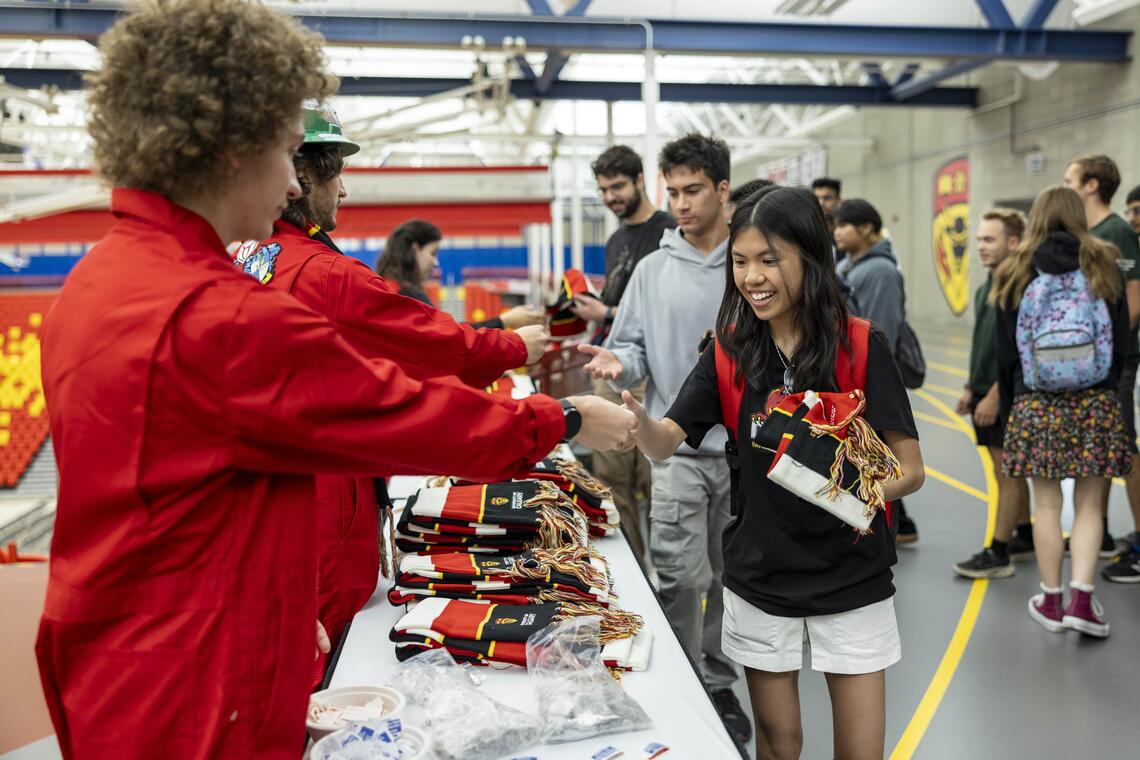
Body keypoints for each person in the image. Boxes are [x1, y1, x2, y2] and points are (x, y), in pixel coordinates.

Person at [34, 2, 637, 756]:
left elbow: (182, 496)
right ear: (229, 148)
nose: (294, 184)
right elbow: (411, 414)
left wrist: (282, 606)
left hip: (124, 657)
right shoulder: (218, 315)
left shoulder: (99, 282)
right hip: (199, 691)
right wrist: (566, 417)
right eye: (288, 152)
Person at [238, 101, 553, 676]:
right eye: (337, 174)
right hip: (322, 498)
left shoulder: (250, 258)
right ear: (301, 176)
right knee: (323, 654)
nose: (345, 192)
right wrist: (514, 348)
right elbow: (429, 345)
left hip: (266, 497)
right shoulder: (325, 273)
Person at [623, 185, 924, 760]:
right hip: (761, 577)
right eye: (740, 261)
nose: (752, 277)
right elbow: (664, 443)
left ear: (810, 260)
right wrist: (637, 420)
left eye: (769, 260)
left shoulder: (861, 346)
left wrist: (847, 493)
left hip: (852, 576)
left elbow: (910, 471)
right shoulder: (729, 352)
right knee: (779, 746)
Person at [577, 133, 751, 743]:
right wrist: (617, 362)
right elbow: (630, 343)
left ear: (723, 190)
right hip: (676, 451)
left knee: (734, 574)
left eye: (693, 190)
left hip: (746, 454)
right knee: (678, 573)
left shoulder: (748, 261)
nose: (680, 203)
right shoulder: (652, 269)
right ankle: (687, 677)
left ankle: (721, 680)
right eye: (673, 191)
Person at [993, 185, 1131, 638]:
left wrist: (1014, 408)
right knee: (1091, 506)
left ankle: (1051, 601)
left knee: (1048, 504)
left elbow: (1006, 353)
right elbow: (1121, 339)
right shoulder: (1103, 261)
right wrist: (1108, 393)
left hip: (1036, 403)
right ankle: (1083, 602)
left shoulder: (1015, 269)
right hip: (1094, 401)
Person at [563, 145, 675, 566]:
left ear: (640, 181)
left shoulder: (667, 234)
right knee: (611, 479)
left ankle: (665, 573)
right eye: (604, 189)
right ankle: (634, 570)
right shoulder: (615, 240)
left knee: (654, 478)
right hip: (609, 371)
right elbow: (621, 302)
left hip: (650, 375)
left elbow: (662, 307)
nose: (610, 197)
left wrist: (606, 311)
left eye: (618, 186)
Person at [1063, 154, 1140, 565]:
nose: (1066, 185)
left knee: (1125, 449)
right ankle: (1102, 533)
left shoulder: (1117, 231)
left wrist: (1108, 351)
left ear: (1091, 185)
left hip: (1115, 362)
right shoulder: (1086, 232)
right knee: (1099, 450)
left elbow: (1133, 294)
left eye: (1070, 179)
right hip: (1090, 364)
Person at [953, 209, 1034, 578]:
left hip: (1008, 395)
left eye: (990, 239)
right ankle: (1026, 535)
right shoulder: (990, 284)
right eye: (980, 239)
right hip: (986, 391)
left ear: (1013, 242)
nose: (981, 247)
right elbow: (985, 344)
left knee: (1007, 473)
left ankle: (998, 552)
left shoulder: (1022, 284)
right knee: (1008, 469)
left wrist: (996, 395)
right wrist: (973, 387)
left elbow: (1021, 348)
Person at [833, 198, 919, 543]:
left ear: (866, 227)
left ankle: (897, 522)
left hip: (866, 383)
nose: (837, 232)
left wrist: (867, 378)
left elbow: (882, 331)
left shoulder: (880, 271)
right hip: (851, 383)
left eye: (844, 225)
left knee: (880, 452)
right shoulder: (848, 268)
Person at [375, 219, 546, 330]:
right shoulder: (404, 295)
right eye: (433, 253)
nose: (436, 263)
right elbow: (450, 339)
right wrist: (504, 324)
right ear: (415, 249)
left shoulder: (391, 289)